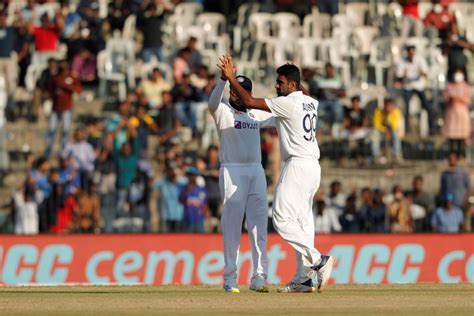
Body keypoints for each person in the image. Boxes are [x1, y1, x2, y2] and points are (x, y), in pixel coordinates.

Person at [218, 56, 335, 293]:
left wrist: (230, 77)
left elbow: (249, 101)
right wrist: (294, 73)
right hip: (313, 166)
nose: (276, 86)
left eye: (280, 82)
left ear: (291, 85)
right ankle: (303, 278)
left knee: (281, 219)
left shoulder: (288, 103)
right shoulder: (311, 101)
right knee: (302, 221)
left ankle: (317, 260)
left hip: (298, 165)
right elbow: (299, 89)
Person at [208, 72, 275, 293]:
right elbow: (212, 103)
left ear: (249, 93)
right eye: (234, 91)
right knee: (233, 225)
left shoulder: (255, 112)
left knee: (258, 224)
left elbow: (281, 114)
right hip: (232, 169)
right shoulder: (223, 110)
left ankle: (259, 276)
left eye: (242, 92)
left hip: (256, 170)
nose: (237, 95)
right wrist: (223, 80)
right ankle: (230, 279)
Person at [45, 60, 82, 158]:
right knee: (52, 130)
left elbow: (78, 90)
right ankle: (48, 153)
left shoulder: (71, 77)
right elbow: (49, 91)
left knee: (65, 130)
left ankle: (63, 153)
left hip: (67, 108)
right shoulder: (54, 78)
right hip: (56, 108)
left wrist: (67, 86)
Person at [395, 45, 434, 135]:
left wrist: (422, 73)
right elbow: (399, 76)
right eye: (410, 53)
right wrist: (404, 75)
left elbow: (425, 73)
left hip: (419, 86)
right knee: (407, 107)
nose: (412, 56)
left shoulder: (420, 60)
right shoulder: (402, 61)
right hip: (408, 87)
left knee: (427, 106)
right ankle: (407, 129)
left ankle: (431, 128)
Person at [443, 68, 471, 157]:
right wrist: (451, 98)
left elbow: (468, 100)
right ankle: (452, 154)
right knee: (452, 136)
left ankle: (461, 153)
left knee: (461, 136)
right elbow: (445, 99)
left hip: (462, 114)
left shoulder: (465, 86)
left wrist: (458, 97)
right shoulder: (449, 86)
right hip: (451, 113)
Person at [370, 98, 403, 163]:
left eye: (390, 106)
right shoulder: (378, 111)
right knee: (374, 133)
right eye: (387, 106)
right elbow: (376, 125)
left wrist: (389, 115)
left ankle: (397, 156)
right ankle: (376, 156)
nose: (389, 107)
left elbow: (395, 126)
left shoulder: (396, 112)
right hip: (381, 132)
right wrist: (385, 130)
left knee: (396, 135)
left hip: (392, 132)